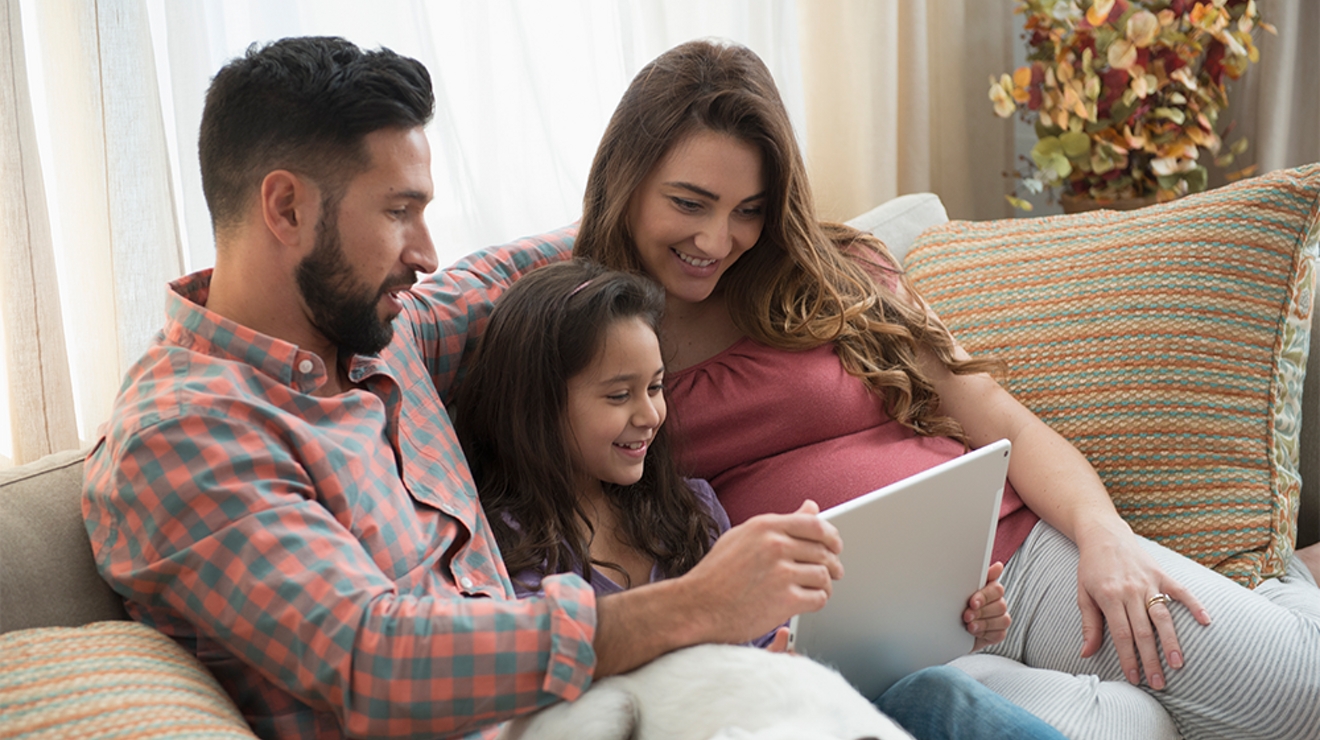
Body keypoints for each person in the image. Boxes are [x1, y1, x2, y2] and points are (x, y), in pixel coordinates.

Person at [81, 36, 853, 740]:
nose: (426, 251)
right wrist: (695, 605)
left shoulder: (386, 336)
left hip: (583, 718)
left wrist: (758, 239)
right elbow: (371, 659)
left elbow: (583, 254)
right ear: (286, 207)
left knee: (943, 695)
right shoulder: (186, 434)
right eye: (398, 212)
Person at [571, 38, 1320, 739]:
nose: (717, 241)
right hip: (876, 654)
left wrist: (1105, 538)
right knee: (1130, 727)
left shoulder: (837, 270)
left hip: (1013, 560)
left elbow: (1004, 423)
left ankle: (1278, 580)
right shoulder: (581, 333)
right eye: (690, 203)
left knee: (1299, 697)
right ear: (627, 179)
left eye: (749, 211)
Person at [452, 258, 1066, 739]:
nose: (650, 415)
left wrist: (939, 617)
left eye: (658, 387)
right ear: (538, 408)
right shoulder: (512, 549)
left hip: (784, 704)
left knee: (937, 692)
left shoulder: (687, 510)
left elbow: (768, 647)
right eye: (619, 396)